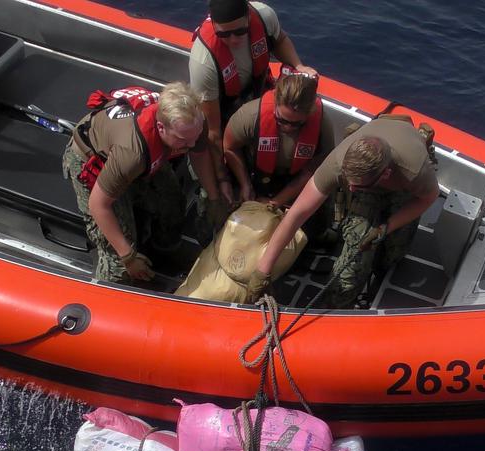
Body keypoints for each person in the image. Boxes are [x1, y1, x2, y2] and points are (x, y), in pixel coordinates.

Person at [246, 116, 440, 308]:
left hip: (403, 185)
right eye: (350, 184)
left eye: (356, 186)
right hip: (369, 184)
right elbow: (295, 215)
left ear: (385, 175)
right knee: (358, 240)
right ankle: (337, 303)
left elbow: (428, 198)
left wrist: (386, 228)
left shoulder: (415, 170)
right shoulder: (338, 164)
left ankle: (385, 264)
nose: (352, 191)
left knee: (394, 252)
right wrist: (263, 272)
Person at [62, 82, 219, 284]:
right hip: (96, 162)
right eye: (184, 141)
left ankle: (165, 249)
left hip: (145, 157)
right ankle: (111, 291)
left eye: (193, 138)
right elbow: (98, 205)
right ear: (161, 127)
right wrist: (128, 257)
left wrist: (214, 197)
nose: (189, 145)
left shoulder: (192, 123)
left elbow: (198, 151)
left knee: (171, 202)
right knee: (117, 258)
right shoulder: (132, 154)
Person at [189, 0, 317, 230]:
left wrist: (299, 66)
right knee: (214, 189)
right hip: (220, 112)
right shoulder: (203, 61)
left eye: (240, 31)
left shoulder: (264, 16)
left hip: (256, 95)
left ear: (249, 17)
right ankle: (209, 226)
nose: (233, 40)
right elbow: (213, 132)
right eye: (224, 35)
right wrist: (222, 178)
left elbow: (279, 40)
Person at [222, 71, 335, 223]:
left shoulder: (322, 125)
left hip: (295, 181)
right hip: (255, 175)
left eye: (296, 124)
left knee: (314, 223)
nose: (288, 128)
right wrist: (245, 184)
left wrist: (275, 203)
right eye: (282, 120)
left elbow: (313, 170)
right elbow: (229, 147)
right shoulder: (249, 116)